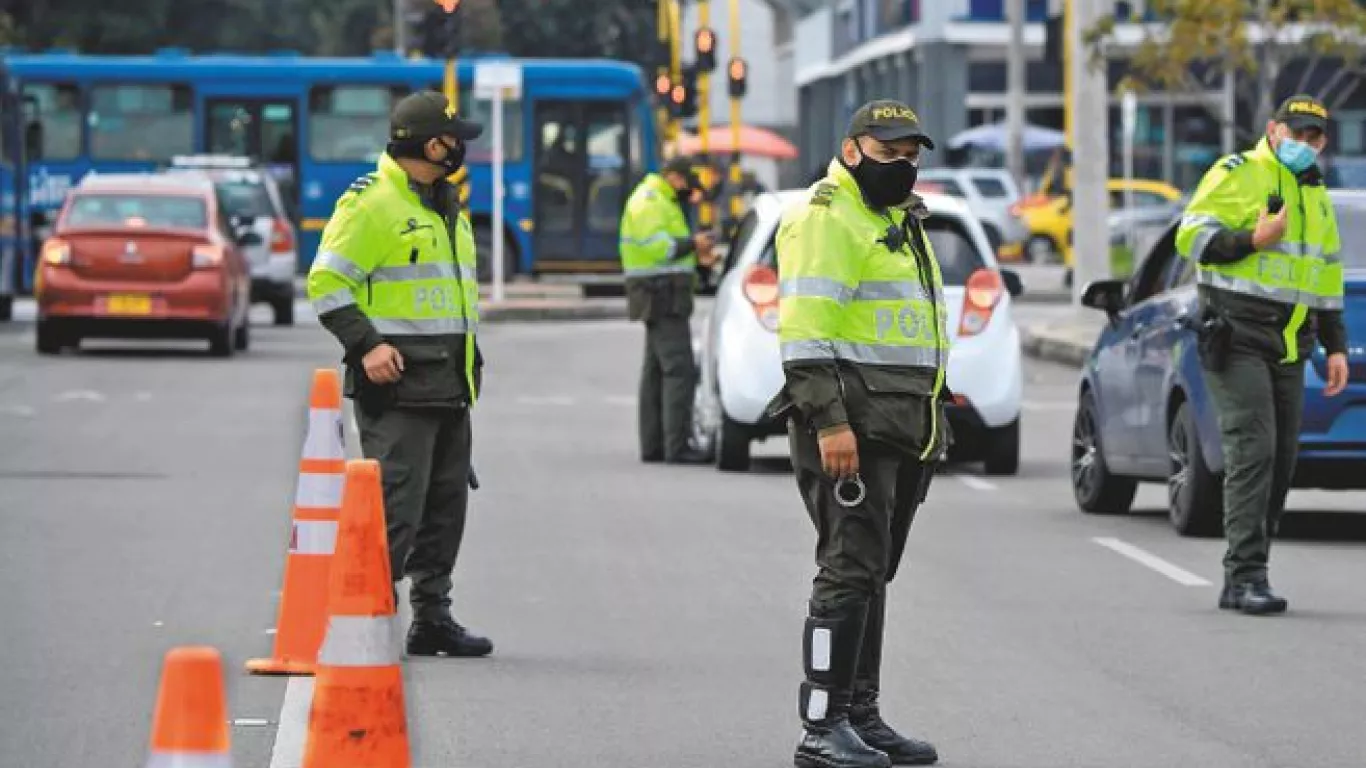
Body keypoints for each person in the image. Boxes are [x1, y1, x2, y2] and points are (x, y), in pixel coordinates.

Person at [769, 100, 948, 768]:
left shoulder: (894, 219)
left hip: (899, 425)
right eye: (888, 153)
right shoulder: (825, 217)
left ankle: (861, 714)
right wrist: (830, 422)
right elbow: (807, 336)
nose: (902, 166)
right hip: (852, 428)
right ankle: (823, 726)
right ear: (852, 151)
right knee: (847, 571)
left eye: (910, 155)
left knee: (871, 572)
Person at [307, 90, 494, 657]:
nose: (461, 146)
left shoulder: (445, 205)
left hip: (449, 385)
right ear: (430, 143)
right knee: (395, 513)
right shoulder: (372, 203)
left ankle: (432, 619)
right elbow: (326, 283)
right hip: (398, 389)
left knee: (444, 512)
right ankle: (361, 621)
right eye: (453, 137)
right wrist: (366, 345)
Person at [1176, 94, 1350, 616]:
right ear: (1273, 130)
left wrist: (1336, 345)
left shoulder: (1316, 195)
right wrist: (1254, 238)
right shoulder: (1238, 172)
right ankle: (1246, 576)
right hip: (1237, 334)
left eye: (1314, 137)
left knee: (1280, 462)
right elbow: (1191, 236)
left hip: (1292, 343)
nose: (1304, 144)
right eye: (1295, 133)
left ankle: (1250, 569)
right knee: (1254, 450)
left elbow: (1325, 277)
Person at [619, 156, 719, 464]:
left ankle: (654, 446)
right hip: (661, 294)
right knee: (679, 370)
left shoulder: (659, 199)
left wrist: (697, 259)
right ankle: (677, 447)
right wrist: (694, 244)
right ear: (675, 178)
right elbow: (660, 249)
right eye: (688, 185)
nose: (690, 192)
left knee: (655, 372)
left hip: (659, 293)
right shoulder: (651, 201)